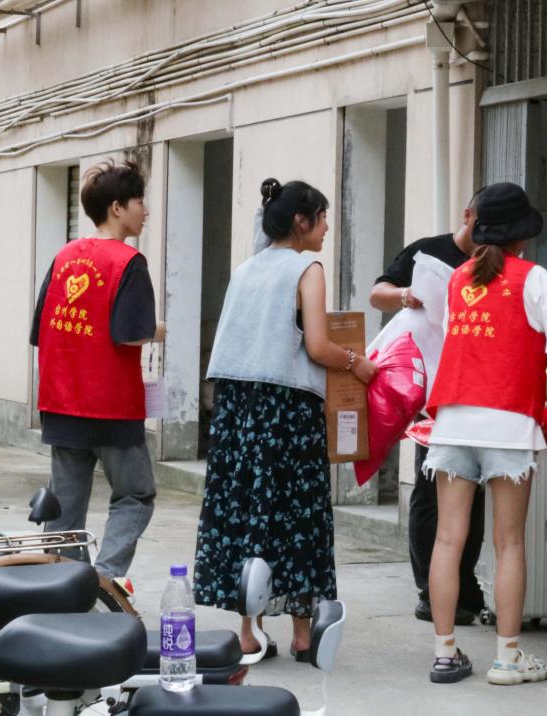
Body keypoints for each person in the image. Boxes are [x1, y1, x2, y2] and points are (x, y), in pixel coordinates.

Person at [194, 178, 377, 660]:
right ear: (302, 222)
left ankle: (248, 631)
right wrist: (355, 362)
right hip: (287, 410)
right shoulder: (307, 269)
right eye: (322, 217)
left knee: (247, 511)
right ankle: (302, 634)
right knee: (299, 515)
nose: (326, 227)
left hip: (237, 407)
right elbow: (317, 345)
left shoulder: (245, 269)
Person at [422, 182, 547, 685]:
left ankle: (444, 653)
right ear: (522, 234)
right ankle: (507, 657)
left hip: (453, 421)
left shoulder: (459, 279)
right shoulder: (535, 279)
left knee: (447, 539)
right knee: (509, 543)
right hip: (509, 422)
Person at [30, 159, 165, 581]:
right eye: (139, 201)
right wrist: (157, 331)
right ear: (117, 207)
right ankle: (105, 580)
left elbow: (40, 330)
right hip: (111, 406)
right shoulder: (129, 262)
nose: (145, 210)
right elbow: (131, 335)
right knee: (135, 495)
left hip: (60, 402)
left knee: (65, 509)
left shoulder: (63, 257)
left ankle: (63, 587)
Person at [369, 190, 484, 626]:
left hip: (475, 387)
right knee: (430, 487)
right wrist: (405, 295)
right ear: (467, 215)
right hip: (431, 387)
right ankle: (428, 589)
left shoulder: (495, 261)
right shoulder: (428, 252)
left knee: (474, 492)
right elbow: (377, 293)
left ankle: (464, 585)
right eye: (481, 227)